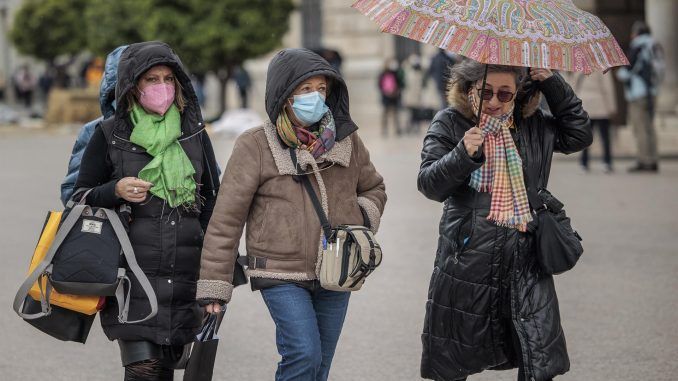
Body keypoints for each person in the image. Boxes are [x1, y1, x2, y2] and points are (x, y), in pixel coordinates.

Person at [196, 48, 387, 381]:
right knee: (303, 354)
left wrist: (359, 221)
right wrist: (215, 287)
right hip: (280, 274)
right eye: (305, 89)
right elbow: (226, 220)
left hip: (338, 273)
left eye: (322, 89)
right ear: (285, 95)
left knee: (319, 367)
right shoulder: (255, 145)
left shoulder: (347, 140)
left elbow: (374, 188)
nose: (315, 97)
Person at [418, 60, 591, 381]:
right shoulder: (450, 123)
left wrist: (553, 83)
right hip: (467, 259)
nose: (494, 102)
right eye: (485, 93)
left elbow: (579, 135)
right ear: (469, 90)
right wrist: (462, 154)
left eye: (504, 94)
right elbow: (429, 184)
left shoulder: (533, 124)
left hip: (526, 258)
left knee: (537, 357)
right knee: (454, 357)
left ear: (517, 96)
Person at [74, 41, 221, 380]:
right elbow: (79, 197)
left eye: (169, 79)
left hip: (184, 274)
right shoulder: (110, 134)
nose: (162, 87)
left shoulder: (193, 135)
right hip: (131, 275)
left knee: (166, 368)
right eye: (152, 79)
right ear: (132, 86)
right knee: (143, 369)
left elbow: (213, 203)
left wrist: (216, 276)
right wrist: (115, 190)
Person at [60, 45, 127, 205]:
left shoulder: (181, 130)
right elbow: (71, 194)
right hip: (112, 227)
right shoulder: (96, 130)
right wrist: (114, 191)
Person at [616, 21, 663, 173]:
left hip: (638, 93)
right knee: (649, 127)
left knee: (640, 128)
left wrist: (620, 74)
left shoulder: (637, 46)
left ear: (636, 33)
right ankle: (653, 158)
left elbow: (627, 71)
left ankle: (644, 160)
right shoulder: (655, 45)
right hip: (652, 92)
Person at [566, 71, 618, 173]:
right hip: (600, 105)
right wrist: (612, 107)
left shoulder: (580, 68)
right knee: (605, 137)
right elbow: (608, 88)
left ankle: (584, 163)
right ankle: (607, 162)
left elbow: (573, 87)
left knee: (585, 136)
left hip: (584, 105)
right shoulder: (603, 69)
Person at [378, 58, 405, 136]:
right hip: (386, 97)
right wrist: (386, 92)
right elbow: (379, 85)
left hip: (394, 97)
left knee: (395, 114)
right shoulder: (382, 74)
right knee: (385, 114)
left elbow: (400, 84)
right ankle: (384, 130)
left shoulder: (395, 73)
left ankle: (397, 129)